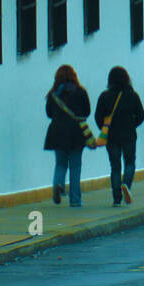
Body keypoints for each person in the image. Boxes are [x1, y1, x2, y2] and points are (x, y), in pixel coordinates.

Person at [95, 66, 144, 205]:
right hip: (129, 135)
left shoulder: (104, 96)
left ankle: (116, 198)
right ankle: (126, 185)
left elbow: (98, 116)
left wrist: (105, 128)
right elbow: (141, 115)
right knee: (129, 162)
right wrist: (132, 125)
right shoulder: (132, 95)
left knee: (115, 166)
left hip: (111, 137)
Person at [44, 64, 91, 208]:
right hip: (76, 133)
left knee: (60, 164)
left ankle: (58, 184)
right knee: (75, 166)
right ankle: (75, 200)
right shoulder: (81, 92)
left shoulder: (53, 94)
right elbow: (87, 112)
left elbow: (49, 113)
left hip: (57, 132)